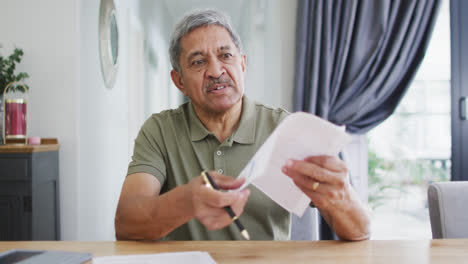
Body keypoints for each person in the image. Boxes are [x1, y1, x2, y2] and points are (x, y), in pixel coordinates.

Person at [115, 9, 370, 241]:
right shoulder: (159, 129)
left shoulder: (285, 128)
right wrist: (188, 200)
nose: (216, 71)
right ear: (178, 80)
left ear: (242, 64)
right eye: (198, 62)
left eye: (225, 55)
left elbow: (361, 232)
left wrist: (342, 195)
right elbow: (126, 223)